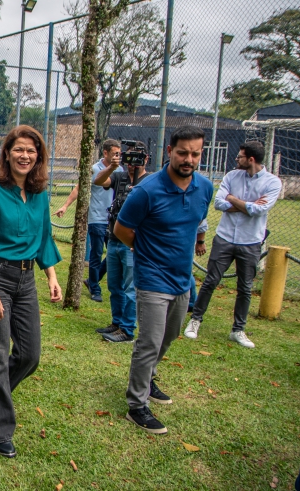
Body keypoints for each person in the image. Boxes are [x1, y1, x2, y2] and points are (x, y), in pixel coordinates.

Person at [0, 125, 63, 458]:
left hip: (26, 280)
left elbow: (44, 238)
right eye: (18, 149)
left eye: (31, 150)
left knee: (29, 355)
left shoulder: (40, 194)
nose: (25, 156)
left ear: (38, 157)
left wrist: (51, 276)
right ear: (7, 154)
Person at [114, 125, 213, 435]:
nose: (189, 159)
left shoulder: (205, 188)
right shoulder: (147, 190)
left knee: (169, 337)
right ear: (170, 152)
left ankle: (149, 378)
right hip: (152, 277)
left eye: (195, 153)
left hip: (182, 280)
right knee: (149, 341)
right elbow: (121, 229)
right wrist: (147, 254)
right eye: (183, 152)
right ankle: (136, 405)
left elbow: (195, 223)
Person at [184, 141, 282, 349]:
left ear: (251, 159)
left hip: (251, 241)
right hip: (225, 238)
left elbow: (258, 211)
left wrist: (234, 200)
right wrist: (248, 205)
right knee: (211, 281)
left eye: (240, 157)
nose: (237, 160)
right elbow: (220, 203)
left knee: (245, 288)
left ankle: (238, 330)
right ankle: (195, 321)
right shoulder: (231, 176)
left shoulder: (272, 182)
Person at [92, 148, 151, 343]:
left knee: (130, 287)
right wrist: (111, 167)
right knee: (114, 285)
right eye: (129, 158)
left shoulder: (150, 182)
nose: (132, 162)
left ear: (146, 158)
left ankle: (127, 329)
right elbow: (98, 181)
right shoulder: (119, 176)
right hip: (114, 240)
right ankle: (117, 323)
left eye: (138, 158)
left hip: (133, 244)